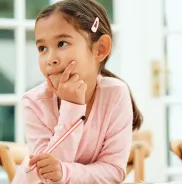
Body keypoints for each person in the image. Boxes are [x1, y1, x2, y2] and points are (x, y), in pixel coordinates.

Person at [12, 0, 143, 183]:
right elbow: (47, 177)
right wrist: (72, 107)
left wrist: (65, 172)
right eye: (42, 48)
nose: (50, 59)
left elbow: (114, 171)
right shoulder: (33, 101)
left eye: (62, 43)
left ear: (100, 49)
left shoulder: (116, 94)